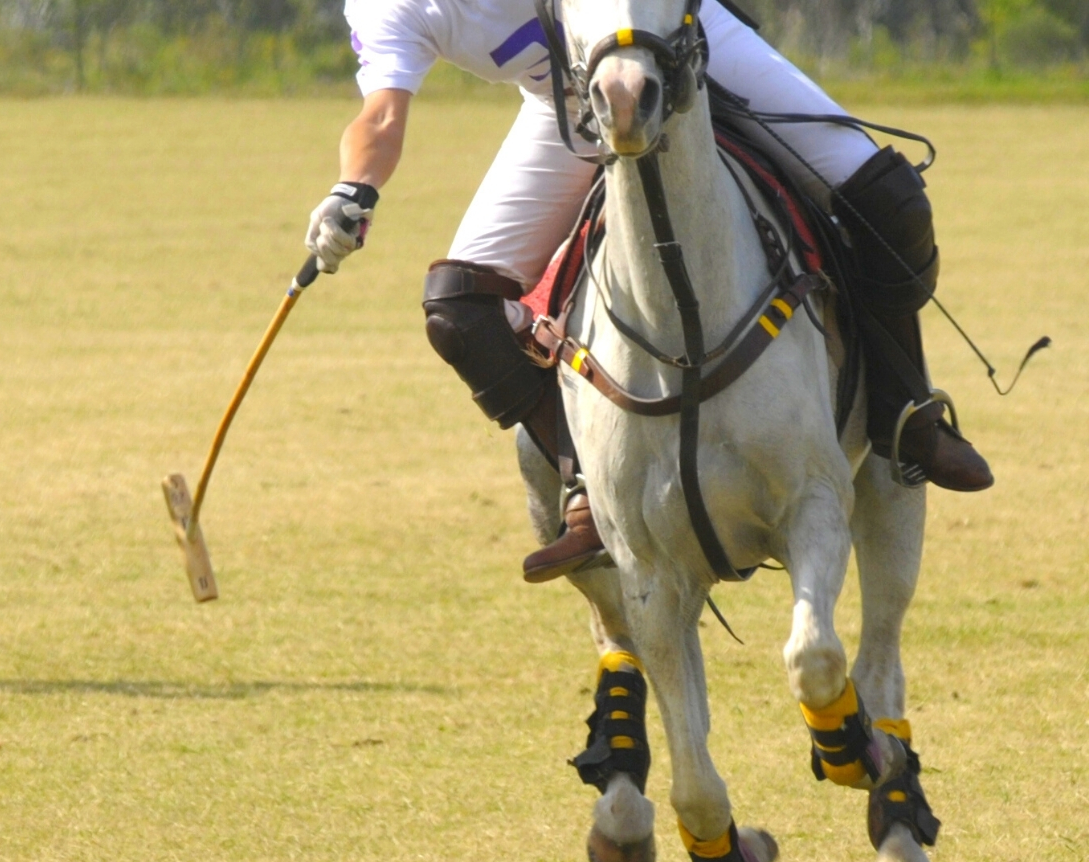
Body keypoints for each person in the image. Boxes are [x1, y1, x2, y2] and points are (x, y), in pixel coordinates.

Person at [305, 0, 991, 583]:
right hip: (565, 104)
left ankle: (906, 415)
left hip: (687, 47)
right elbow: (382, 117)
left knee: (886, 198)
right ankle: (589, 489)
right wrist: (352, 190)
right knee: (457, 307)